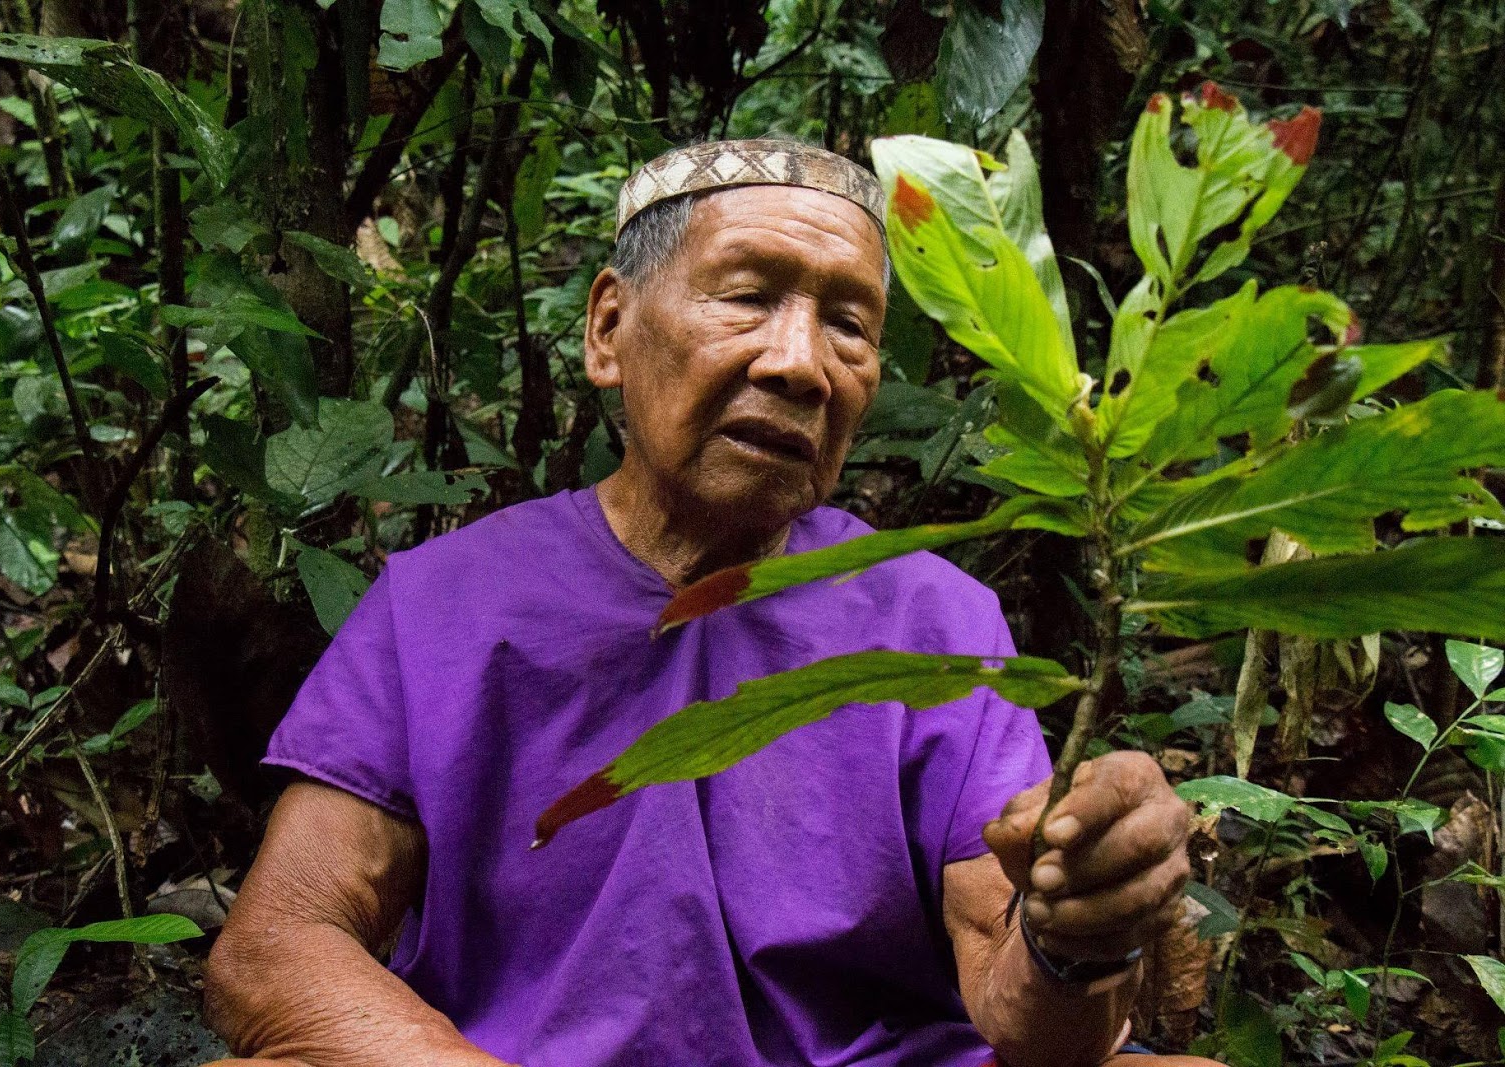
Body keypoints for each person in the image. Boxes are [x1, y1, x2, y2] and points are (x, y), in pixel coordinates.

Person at [203, 140, 1213, 1067]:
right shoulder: (443, 602)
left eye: (849, 325)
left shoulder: (933, 621)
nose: (799, 363)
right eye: (746, 297)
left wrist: (1080, 935)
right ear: (609, 329)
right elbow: (276, 944)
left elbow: (1030, 1017)